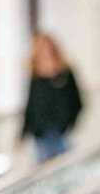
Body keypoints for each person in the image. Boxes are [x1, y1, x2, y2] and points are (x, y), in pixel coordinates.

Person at [21, 33, 82, 163]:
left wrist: (68, 124)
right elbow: (30, 106)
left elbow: (77, 101)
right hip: (41, 134)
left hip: (61, 132)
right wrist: (23, 134)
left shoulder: (65, 74)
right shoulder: (35, 77)